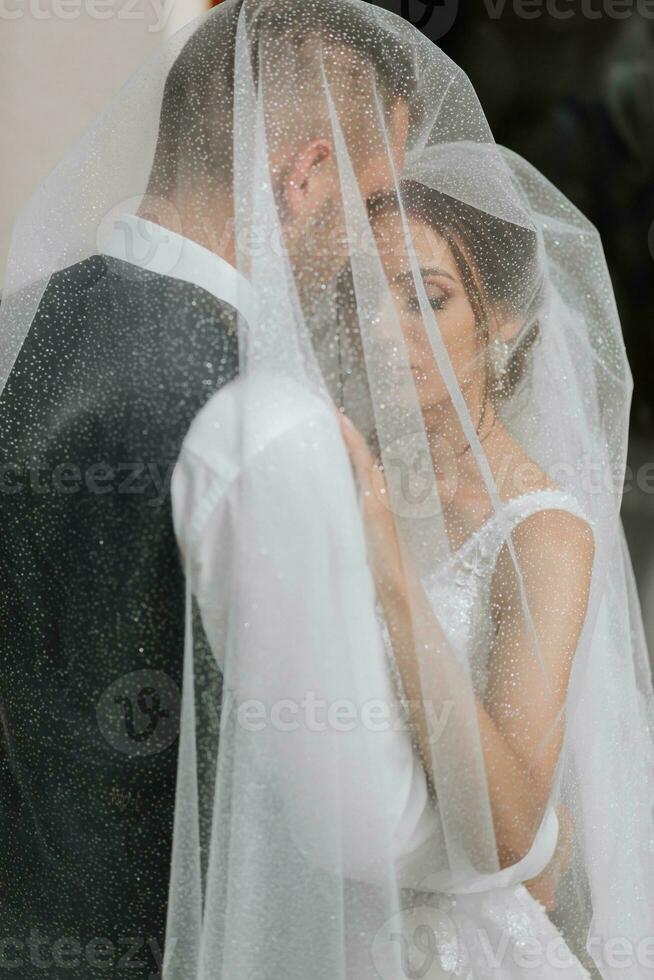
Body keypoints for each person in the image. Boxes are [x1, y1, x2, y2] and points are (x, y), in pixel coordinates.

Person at [1, 3, 653, 980]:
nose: (361, 243)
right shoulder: (267, 420)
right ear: (306, 175)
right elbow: (366, 824)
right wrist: (535, 843)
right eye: (364, 191)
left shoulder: (30, 322)